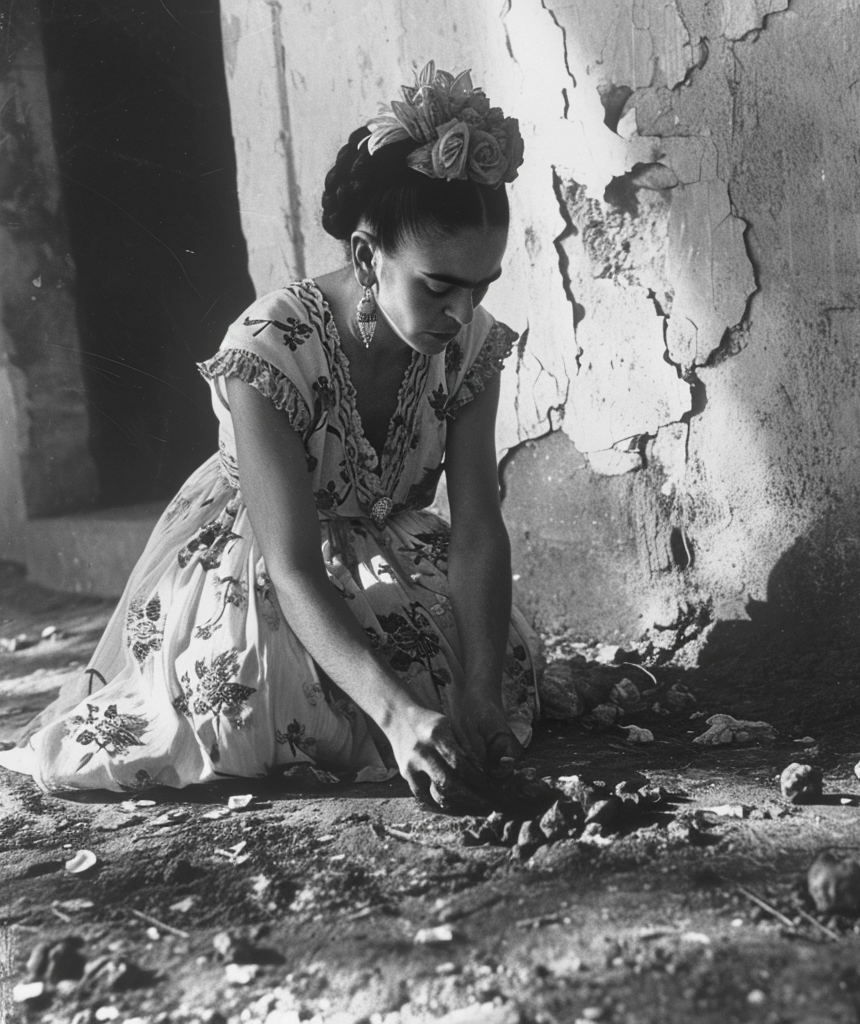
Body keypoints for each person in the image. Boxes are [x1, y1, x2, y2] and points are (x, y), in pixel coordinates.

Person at [0, 63, 539, 810]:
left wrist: (479, 690)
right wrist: (396, 714)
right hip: (259, 561)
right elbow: (290, 566)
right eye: (439, 287)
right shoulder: (268, 349)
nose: (462, 311)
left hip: (385, 554)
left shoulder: (471, 345)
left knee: (485, 678)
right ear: (364, 258)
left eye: (482, 285)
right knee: (245, 712)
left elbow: (478, 527)